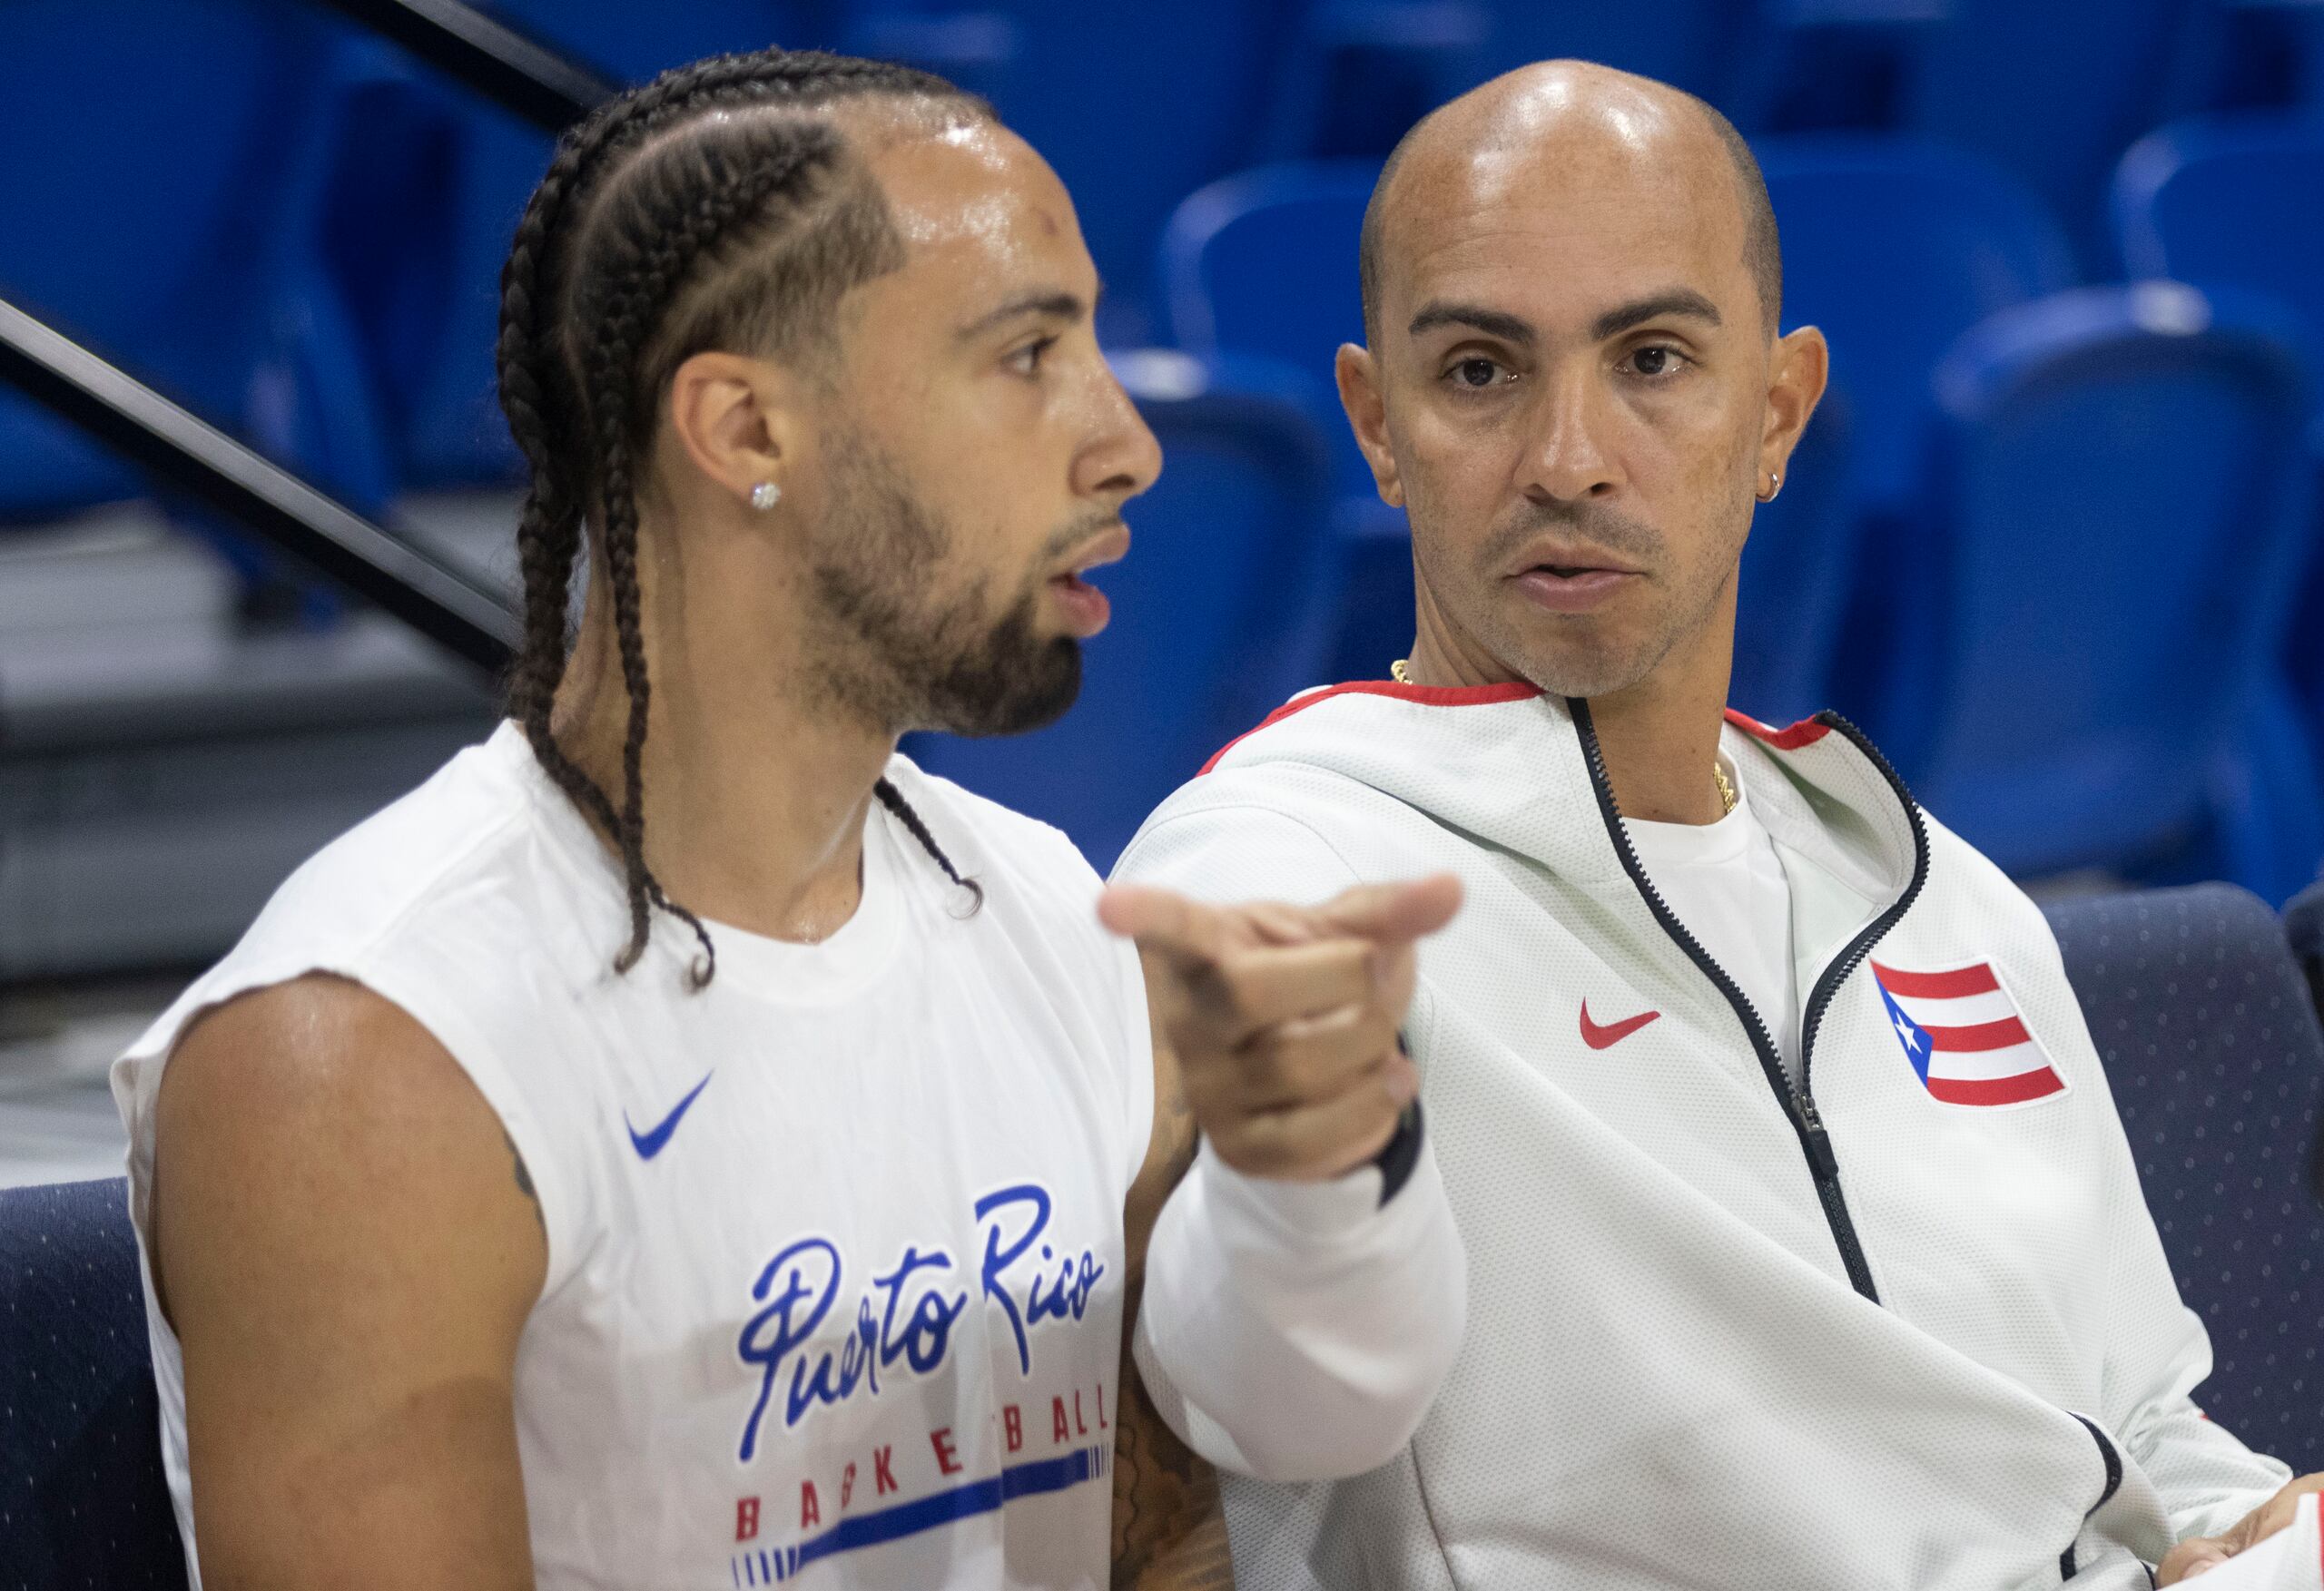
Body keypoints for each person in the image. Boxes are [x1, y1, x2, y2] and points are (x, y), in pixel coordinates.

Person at [111, 51, 1468, 1590]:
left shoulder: (1051, 916)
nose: (1126, 440)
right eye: (1028, 353)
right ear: (746, 431)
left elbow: (1161, 1552)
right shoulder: (364, 1058)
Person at [1112, 60, 2323, 1590]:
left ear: (1778, 411)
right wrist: (1303, 1193)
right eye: (1482, 371)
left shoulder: (1939, 888)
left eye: (1654, 359)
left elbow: (2147, 1426)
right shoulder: (1288, 879)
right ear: (1377, 425)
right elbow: (1254, 1398)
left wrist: (2256, 1528)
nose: (1569, 458)